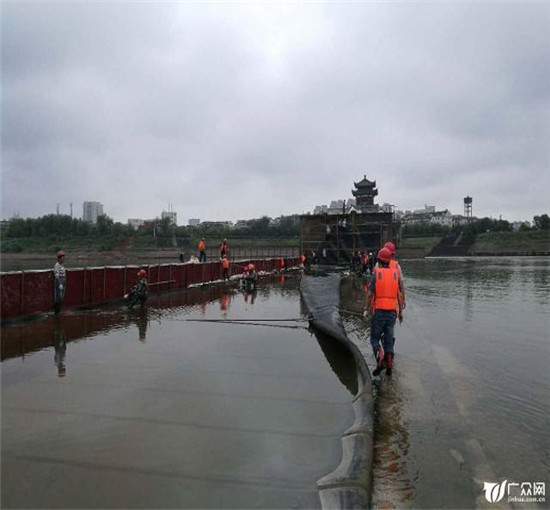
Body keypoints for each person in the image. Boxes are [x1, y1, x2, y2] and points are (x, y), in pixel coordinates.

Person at [364, 247, 404, 376]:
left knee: (374, 338)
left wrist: (366, 309)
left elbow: (370, 294)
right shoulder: (395, 274)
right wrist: (400, 312)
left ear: (379, 261)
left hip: (379, 311)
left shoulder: (377, 273)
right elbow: (399, 293)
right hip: (392, 312)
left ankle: (379, 356)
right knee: (388, 338)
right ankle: (389, 363)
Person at [384, 241, 406, 310]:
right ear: (393, 254)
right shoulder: (397, 266)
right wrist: (403, 300)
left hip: (380, 303)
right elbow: (401, 285)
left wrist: (368, 307)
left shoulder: (378, 265)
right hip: (393, 302)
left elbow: (372, 288)